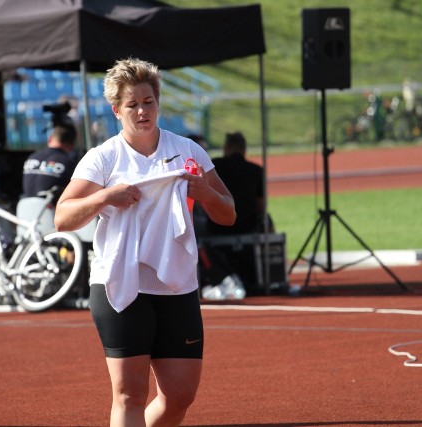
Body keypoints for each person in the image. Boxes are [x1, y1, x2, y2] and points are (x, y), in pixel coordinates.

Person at [54, 58, 236, 427]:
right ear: (116, 110)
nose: (142, 111)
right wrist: (106, 197)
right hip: (120, 283)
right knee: (129, 394)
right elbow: (63, 216)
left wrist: (205, 192)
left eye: (148, 102)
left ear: (158, 103)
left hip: (176, 284)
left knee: (180, 395)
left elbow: (228, 213)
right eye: (133, 104)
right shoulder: (103, 158)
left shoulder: (188, 151)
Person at [200, 131, 272, 300]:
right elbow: (261, 206)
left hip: (218, 226)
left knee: (196, 225)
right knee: (266, 219)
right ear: (244, 149)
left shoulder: (214, 166)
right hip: (248, 226)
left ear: (227, 147)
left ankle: (211, 276)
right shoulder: (256, 170)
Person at [22, 121, 78, 201]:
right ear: (72, 145)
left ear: (50, 138)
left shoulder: (31, 157)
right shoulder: (69, 163)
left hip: (24, 210)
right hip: (50, 212)